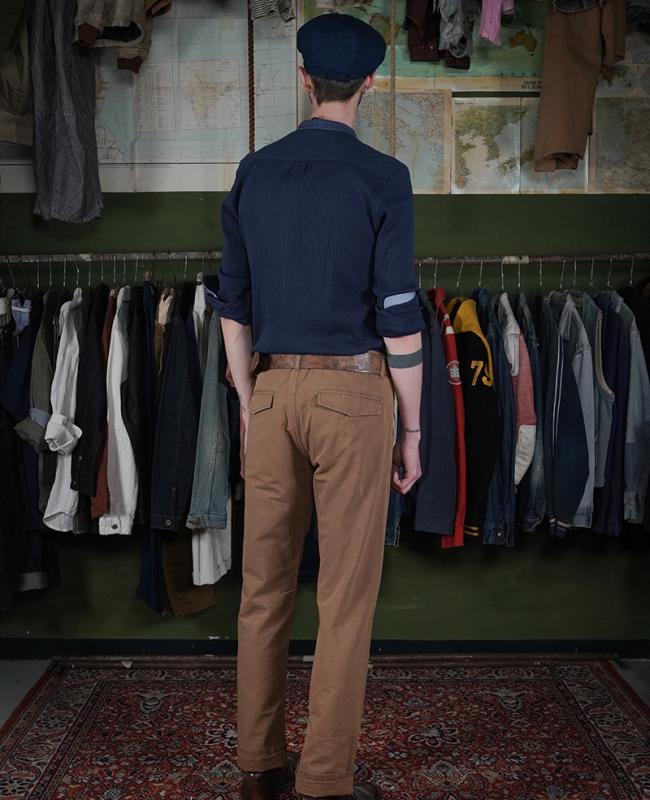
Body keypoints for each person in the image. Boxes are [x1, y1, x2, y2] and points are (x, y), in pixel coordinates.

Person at [205, 12, 424, 800]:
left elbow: (233, 305)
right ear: (369, 85)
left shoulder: (253, 172)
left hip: (271, 390)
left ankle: (258, 767)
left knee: (263, 590)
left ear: (303, 79)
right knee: (344, 597)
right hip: (353, 393)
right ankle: (324, 780)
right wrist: (414, 429)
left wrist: (249, 401)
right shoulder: (383, 177)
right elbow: (399, 317)